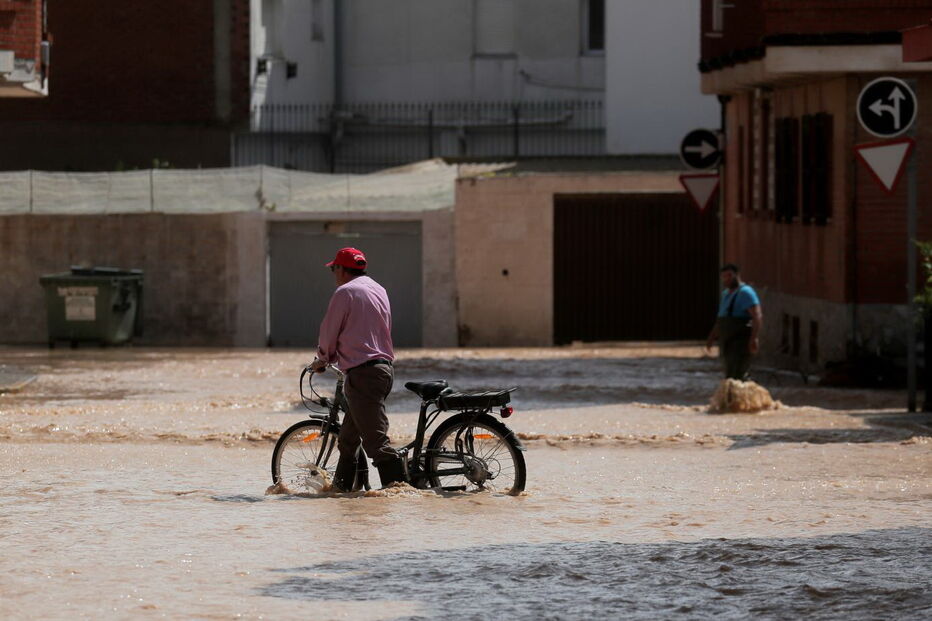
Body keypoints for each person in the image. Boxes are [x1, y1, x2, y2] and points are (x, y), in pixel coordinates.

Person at [310, 247, 406, 491]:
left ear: (342, 269)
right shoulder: (379, 289)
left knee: (376, 443)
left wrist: (322, 358)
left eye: (334, 269)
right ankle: (340, 491)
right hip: (383, 370)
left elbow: (330, 331)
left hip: (363, 374)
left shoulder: (345, 292)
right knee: (348, 440)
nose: (334, 274)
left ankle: (401, 492)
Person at [705, 264, 763, 380]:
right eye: (724, 277)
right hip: (727, 342)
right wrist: (711, 338)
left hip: (740, 342)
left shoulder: (745, 292)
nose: (727, 279)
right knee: (730, 373)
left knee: (738, 374)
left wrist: (754, 338)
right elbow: (721, 318)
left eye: (729, 276)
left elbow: (757, 316)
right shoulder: (726, 294)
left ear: (737, 275)